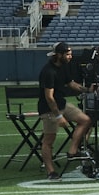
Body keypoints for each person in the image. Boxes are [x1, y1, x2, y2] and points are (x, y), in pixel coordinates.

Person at [37, 42, 93, 180]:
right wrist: (58, 117)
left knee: (85, 120)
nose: (70, 57)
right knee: (49, 140)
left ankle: (72, 150)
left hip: (62, 103)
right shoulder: (48, 72)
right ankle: (51, 171)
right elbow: (49, 98)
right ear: (59, 55)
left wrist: (87, 90)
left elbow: (71, 83)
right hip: (49, 109)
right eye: (68, 54)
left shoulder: (64, 67)